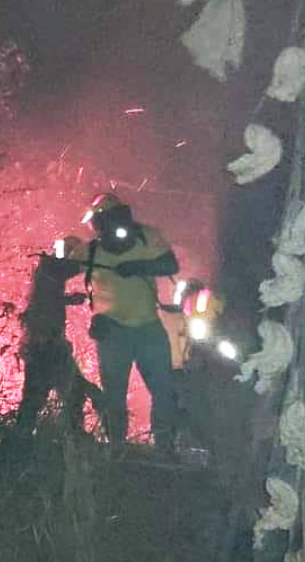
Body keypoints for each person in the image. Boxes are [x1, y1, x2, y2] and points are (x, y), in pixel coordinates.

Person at [68, 193, 181, 452]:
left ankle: (164, 447)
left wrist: (139, 266)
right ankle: (117, 448)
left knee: (163, 391)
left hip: (149, 329)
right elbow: (60, 271)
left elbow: (170, 264)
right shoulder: (89, 251)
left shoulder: (147, 237)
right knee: (114, 396)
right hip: (112, 333)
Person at [15, 237, 99, 435]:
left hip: (42, 343)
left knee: (36, 398)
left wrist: (67, 299)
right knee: (72, 392)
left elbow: (47, 297)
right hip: (47, 344)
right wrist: (95, 255)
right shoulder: (52, 267)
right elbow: (74, 268)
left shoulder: (47, 271)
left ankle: (21, 439)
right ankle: (73, 437)